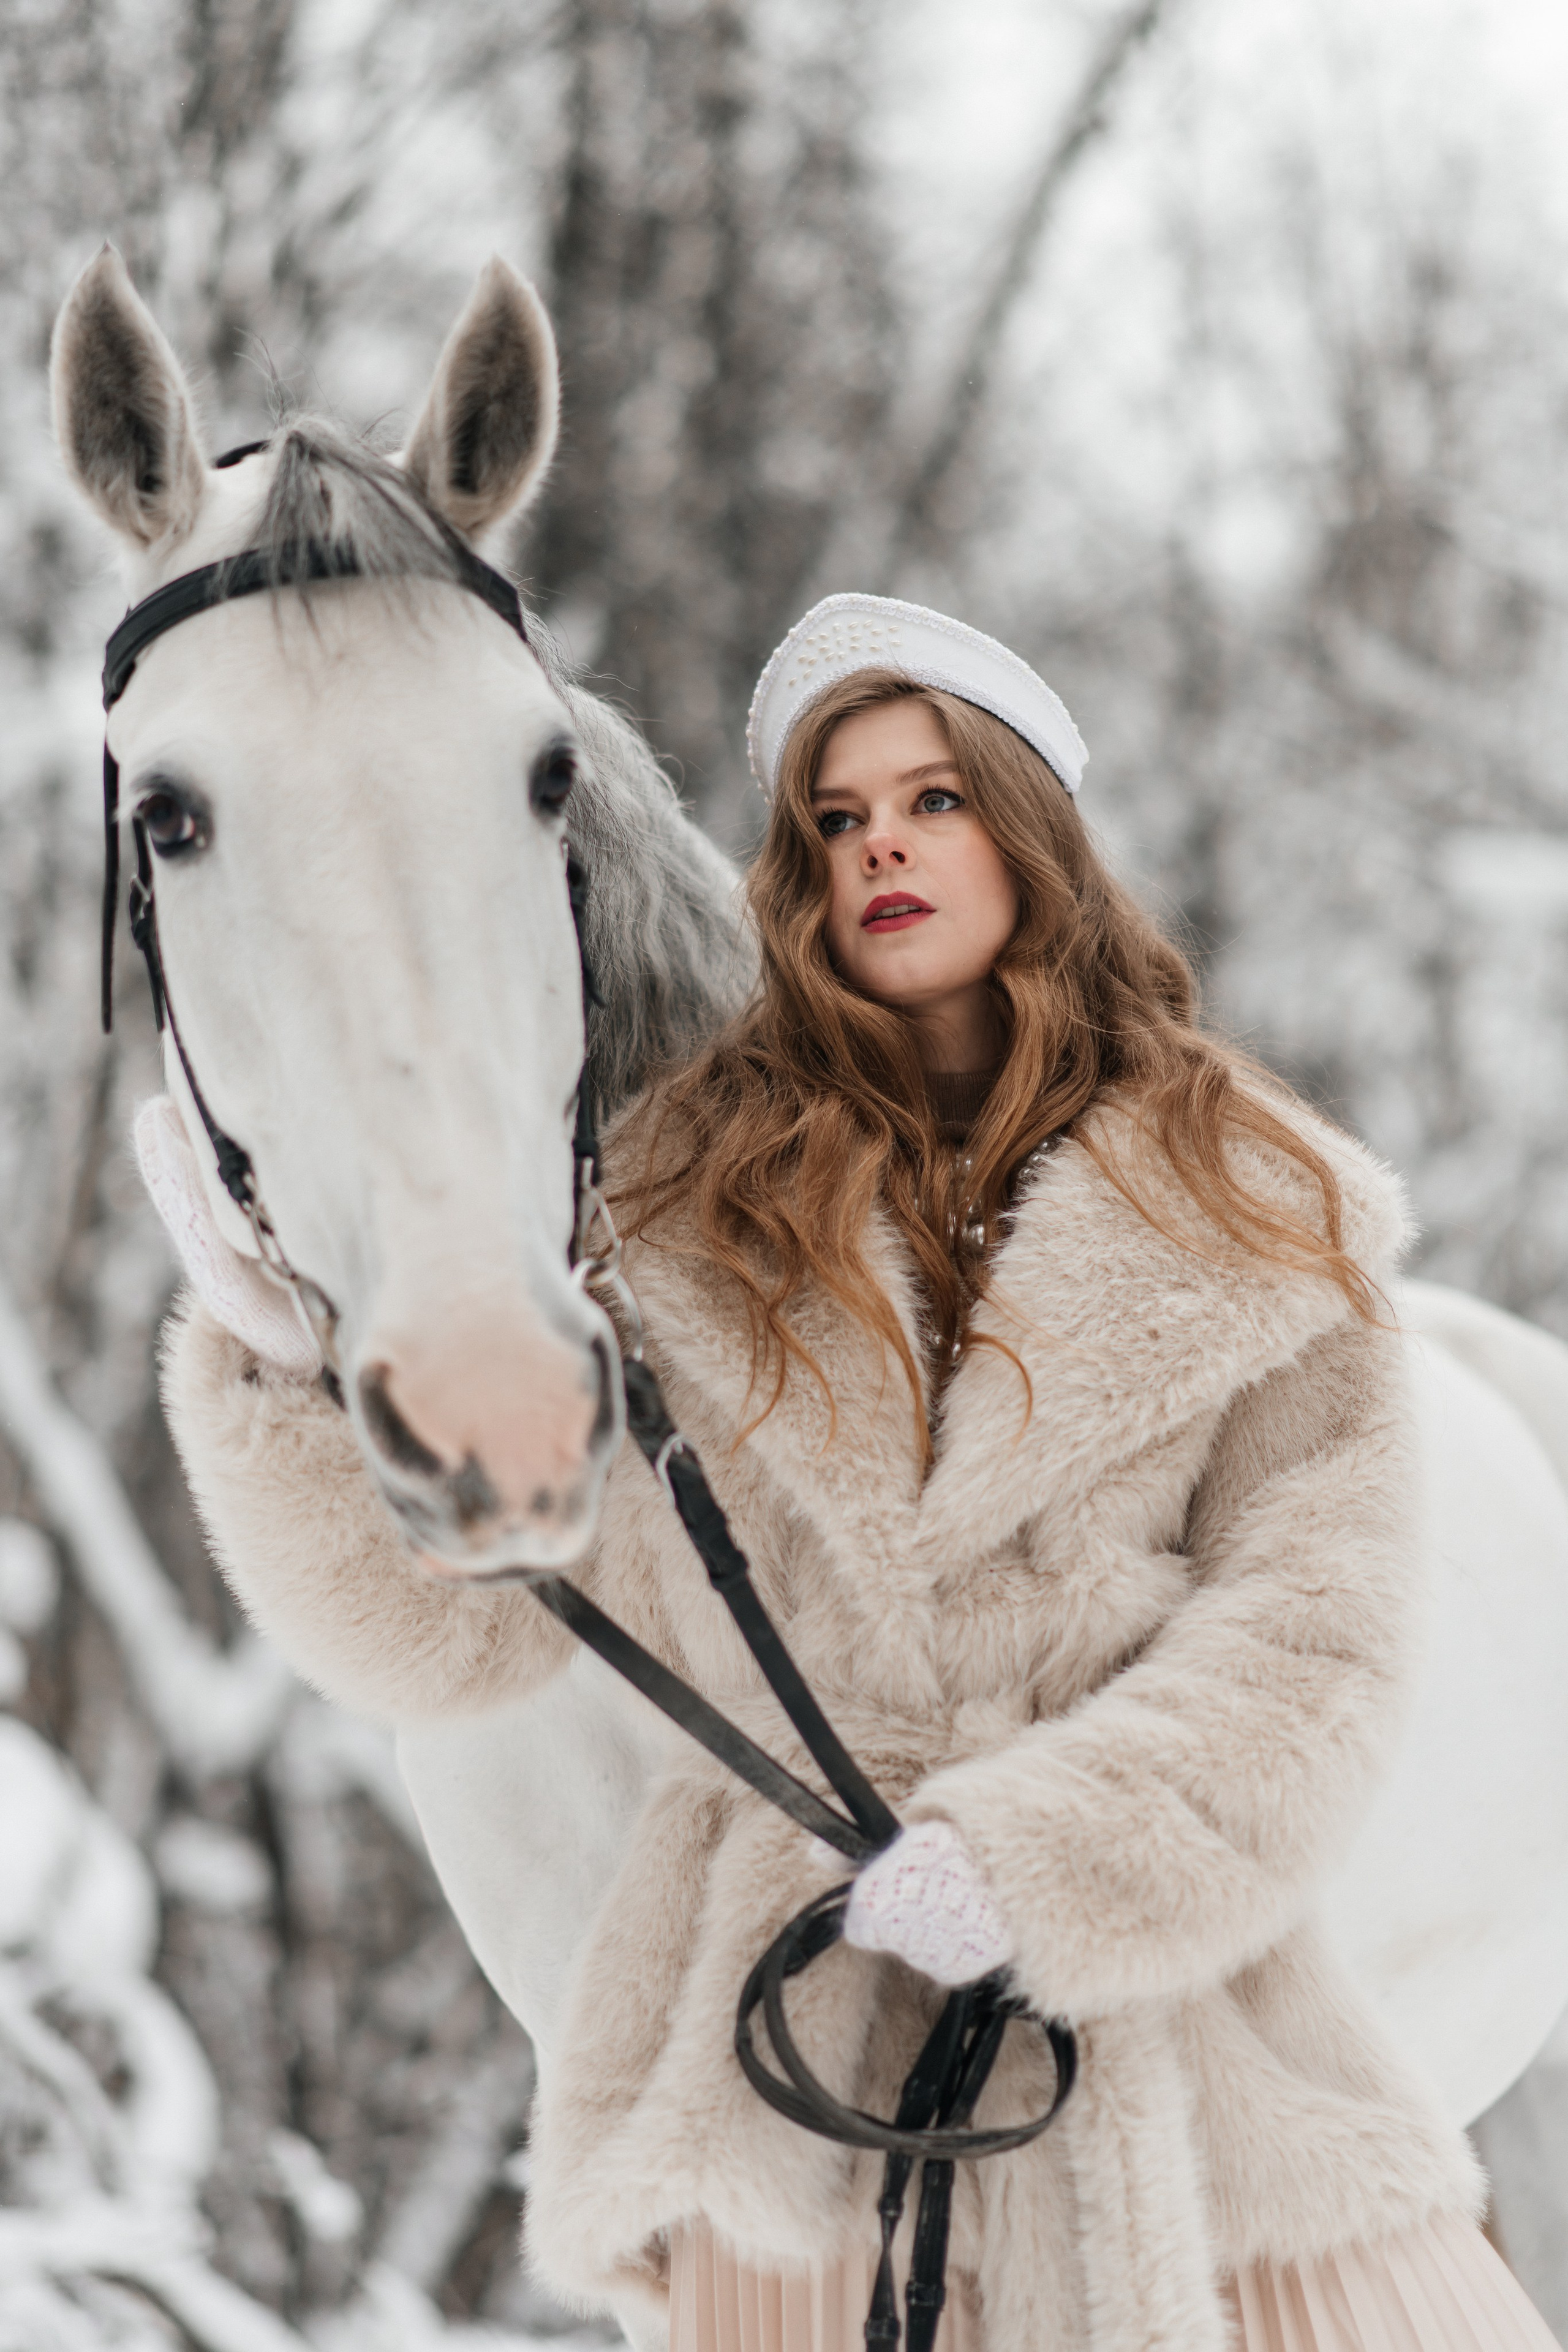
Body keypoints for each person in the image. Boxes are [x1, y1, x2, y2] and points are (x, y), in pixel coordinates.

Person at [143, 595, 1561, 2352]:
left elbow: (1311, 1656)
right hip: (799, 2110)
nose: (880, 840)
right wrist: (279, 1371)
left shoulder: (1259, 1214)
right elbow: (485, 1637)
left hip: (1187, 2085)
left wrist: (1036, 1863)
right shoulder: (681, 1224)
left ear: (1031, 831)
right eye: (835, 814)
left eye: (933, 797)